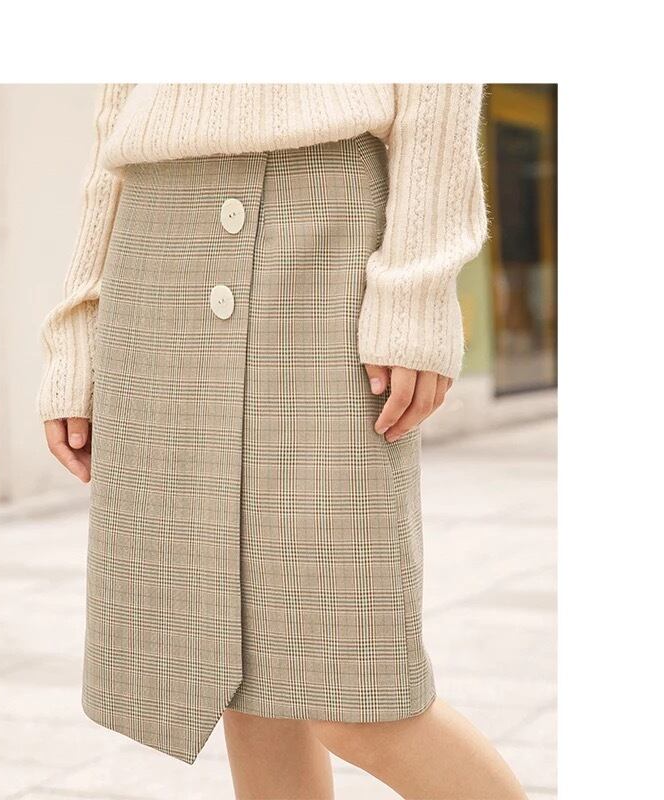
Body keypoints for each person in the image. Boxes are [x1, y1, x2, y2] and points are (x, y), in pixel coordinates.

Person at [38, 83, 527, 800]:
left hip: (323, 223)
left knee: (358, 693)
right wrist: (79, 317)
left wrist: (419, 282)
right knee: (244, 681)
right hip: (152, 237)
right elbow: (116, 100)